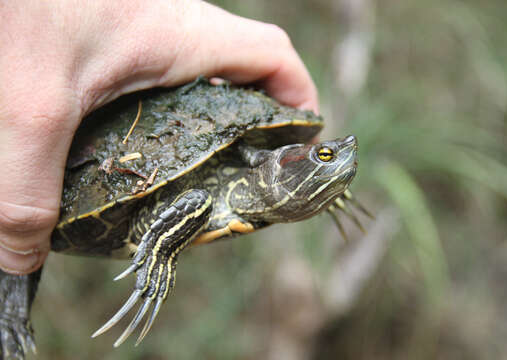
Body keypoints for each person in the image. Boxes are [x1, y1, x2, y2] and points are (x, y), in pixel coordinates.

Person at [0, 0, 318, 275]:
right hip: (93, 164)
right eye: (324, 157)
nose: (338, 156)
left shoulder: (262, 158)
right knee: (198, 200)